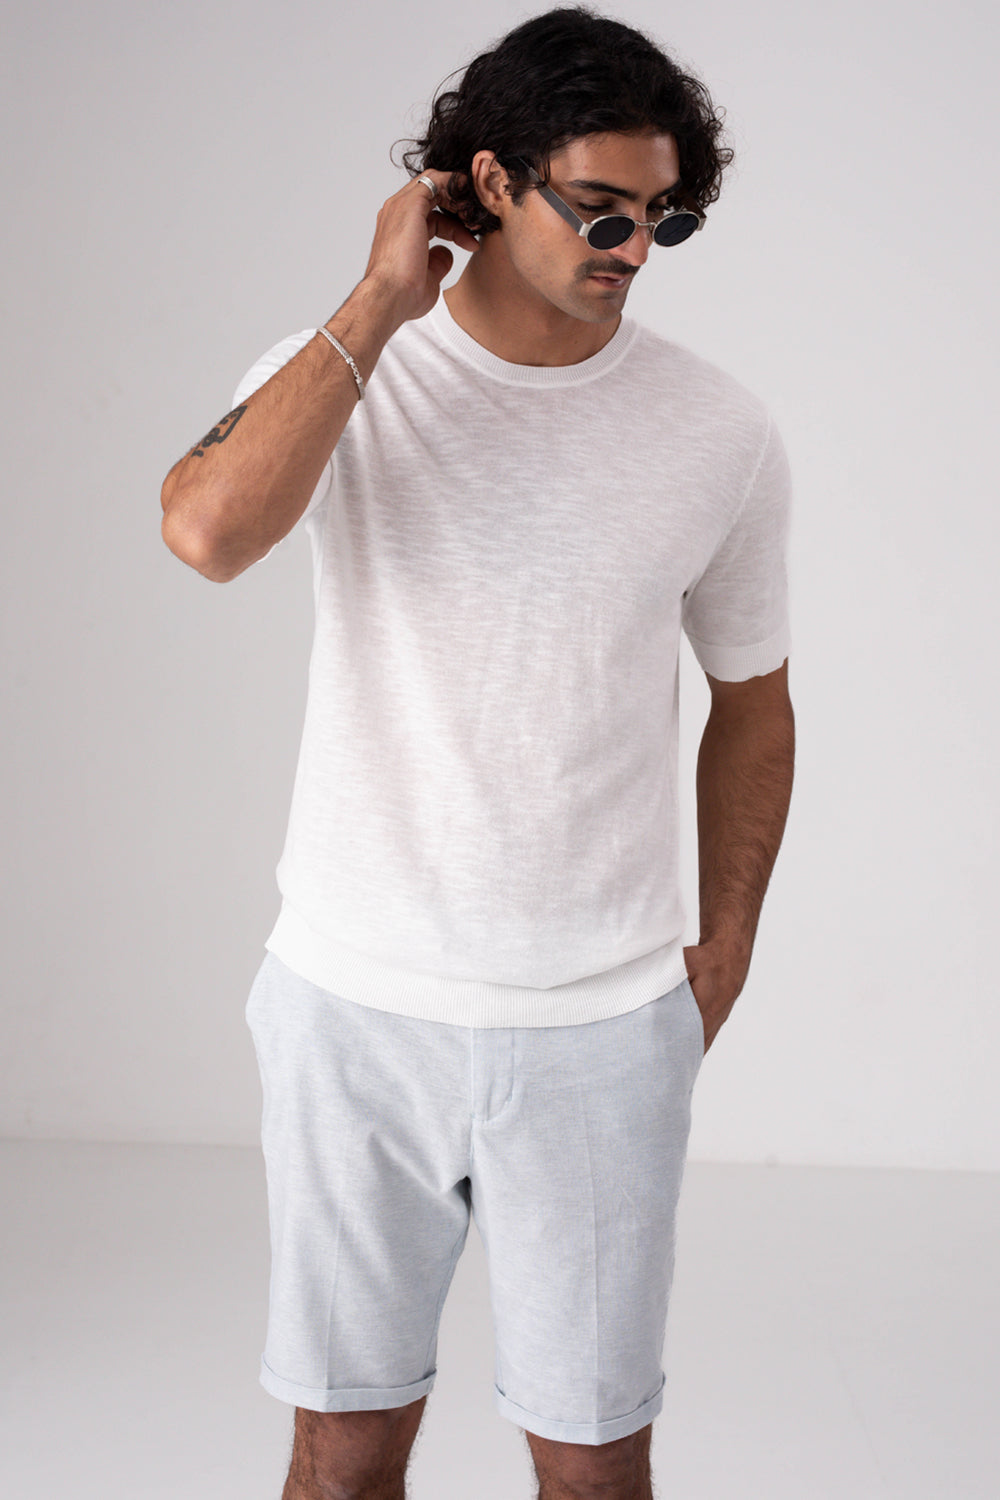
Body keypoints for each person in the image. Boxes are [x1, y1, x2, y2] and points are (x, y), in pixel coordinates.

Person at [160, 7, 795, 1497]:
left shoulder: (720, 431)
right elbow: (205, 534)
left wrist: (725, 942)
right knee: (342, 1452)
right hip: (352, 1006)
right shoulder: (341, 371)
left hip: (601, 1022)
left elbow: (754, 701)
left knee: (594, 1465)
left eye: (664, 218)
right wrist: (384, 297)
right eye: (602, 209)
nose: (633, 248)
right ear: (492, 182)